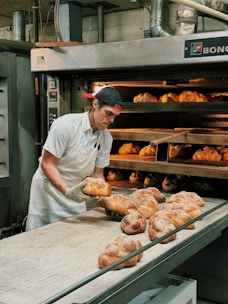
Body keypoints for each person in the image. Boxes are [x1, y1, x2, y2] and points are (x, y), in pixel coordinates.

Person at [26, 85, 123, 231]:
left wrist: (106, 201)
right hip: (49, 195)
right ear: (95, 104)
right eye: (108, 113)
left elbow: (97, 175)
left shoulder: (106, 138)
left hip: (75, 195)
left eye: (115, 116)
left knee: (72, 238)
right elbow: (47, 164)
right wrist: (67, 191)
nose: (111, 120)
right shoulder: (65, 126)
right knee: (40, 240)